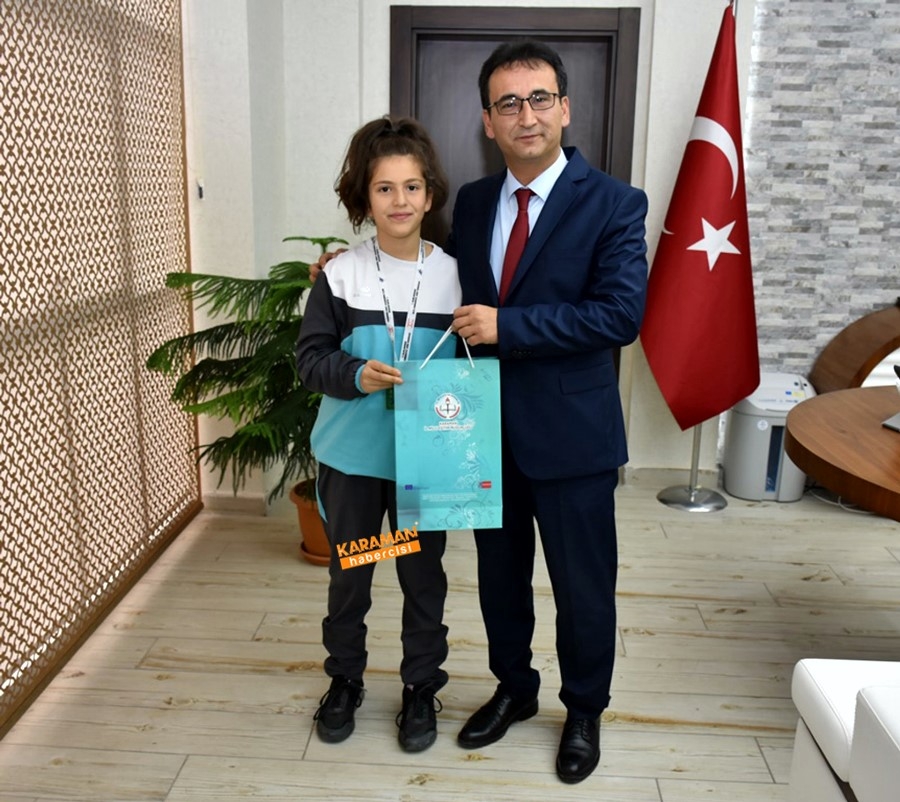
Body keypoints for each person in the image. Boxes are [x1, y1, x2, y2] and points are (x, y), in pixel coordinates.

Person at [446, 40, 648, 784]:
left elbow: (619, 315)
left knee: (582, 588)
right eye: (508, 102)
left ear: (565, 108)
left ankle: (584, 709)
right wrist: (349, 270)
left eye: (539, 99)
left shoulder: (616, 203)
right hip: (486, 434)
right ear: (488, 121)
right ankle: (515, 689)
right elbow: (438, 287)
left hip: (574, 438)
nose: (525, 115)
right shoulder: (471, 203)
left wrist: (509, 327)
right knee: (499, 581)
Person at [295, 116, 460, 753]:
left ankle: (421, 686)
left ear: (430, 193)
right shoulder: (340, 276)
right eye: (384, 188)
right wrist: (355, 374)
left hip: (428, 459)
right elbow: (310, 360)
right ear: (365, 197)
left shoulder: (457, 276)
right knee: (352, 573)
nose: (400, 201)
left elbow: (476, 366)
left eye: (411, 187)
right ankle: (345, 680)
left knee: (422, 576)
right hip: (354, 457)